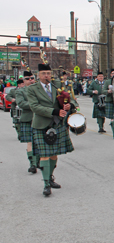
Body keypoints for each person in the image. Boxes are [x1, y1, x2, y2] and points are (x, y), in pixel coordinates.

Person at [27, 63, 75, 196]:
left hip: (56, 125)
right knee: (44, 155)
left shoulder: (57, 86)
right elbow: (35, 107)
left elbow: (69, 100)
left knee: (54, 154)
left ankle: (50, 176)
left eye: (48, 73)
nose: (46, 76)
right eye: (43, 73)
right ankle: (46, 184)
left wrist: (68, 105)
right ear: (38, 75)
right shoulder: (32, 89)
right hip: (41, 125)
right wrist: (55, 111)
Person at [16, 72, 38, 173]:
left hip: (40, 118)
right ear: (23, 81)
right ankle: (33, 164)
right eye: (27, 78)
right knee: (30, 142)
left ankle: (39, 162)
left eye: (32, 78)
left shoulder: (39, 90)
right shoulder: (20, 91)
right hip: (28, 119)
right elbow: (21, 103)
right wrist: (34, 105)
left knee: (39, 142)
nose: (30, 80)